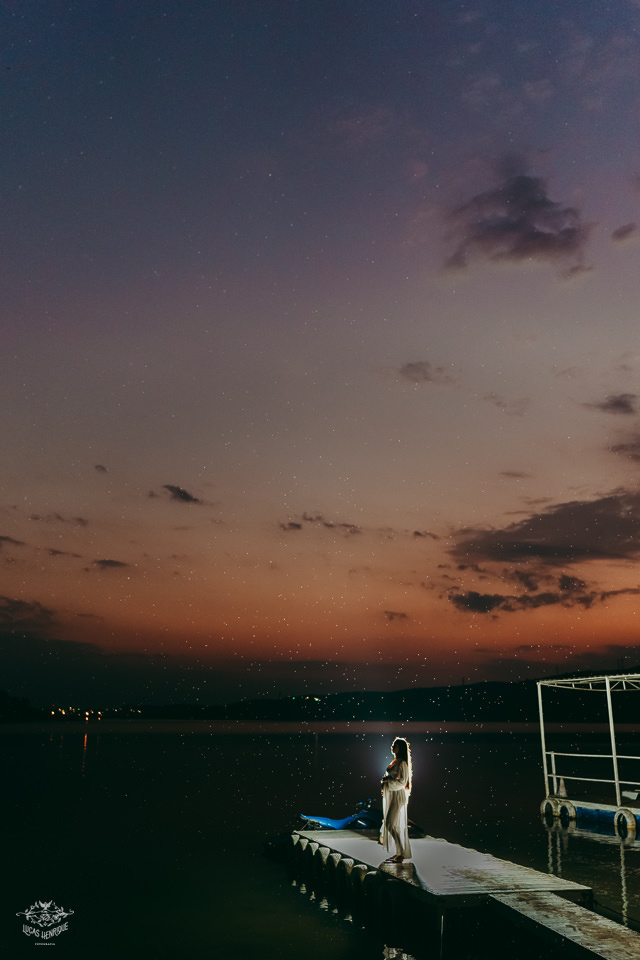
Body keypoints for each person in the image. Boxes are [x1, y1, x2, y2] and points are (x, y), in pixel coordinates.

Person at [380, 737, 412, 863]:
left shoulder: (402, 763)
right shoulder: (395, 761)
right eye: (393, 745)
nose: (393, 747)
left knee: (390, 823)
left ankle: (402, 853)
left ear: (401, 748)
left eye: (396, 745)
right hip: (391, 795)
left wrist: (388, 781)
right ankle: (399, 852)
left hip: (397, 796)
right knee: (391, 824)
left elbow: (402, 782)